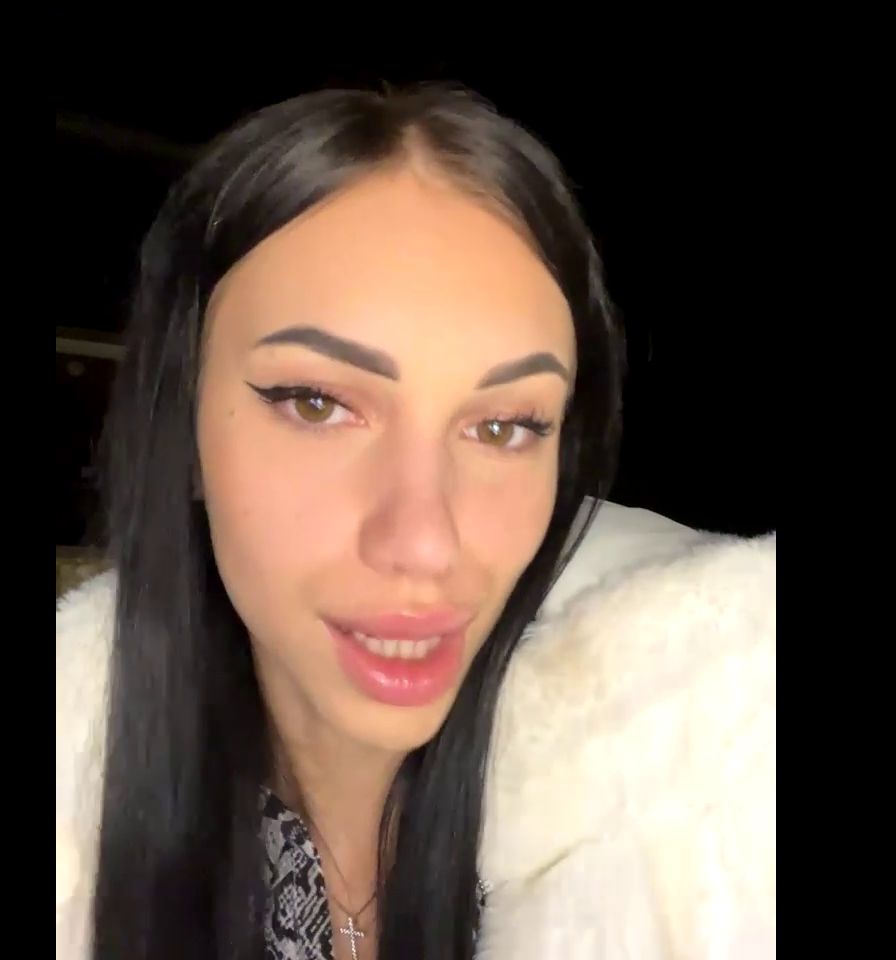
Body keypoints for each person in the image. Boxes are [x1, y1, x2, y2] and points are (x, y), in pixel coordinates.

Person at [55, 84, 776, 959]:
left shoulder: (710, 821)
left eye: (504, 427)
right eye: (317, 403)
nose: (426, 541)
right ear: (184, 429)